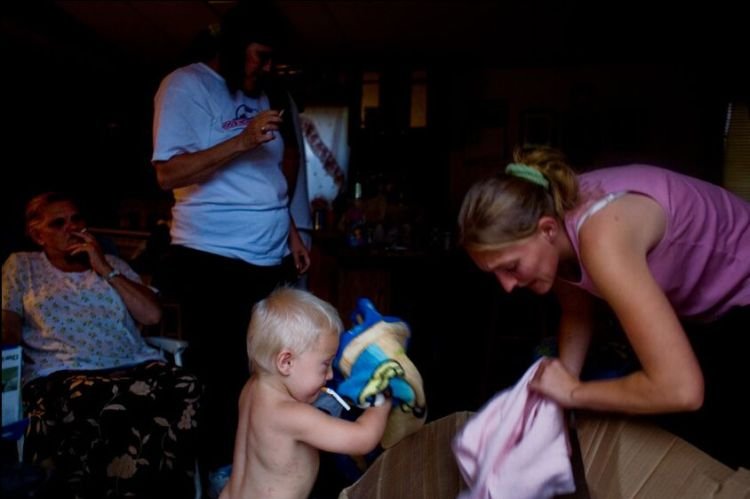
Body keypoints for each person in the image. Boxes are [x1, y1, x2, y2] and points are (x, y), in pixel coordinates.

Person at [458, 146, 750, 469]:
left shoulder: (602, 240)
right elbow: (577, 312)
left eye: (511, 267)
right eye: (494, 273)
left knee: (707, 447)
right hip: (708, 305)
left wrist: (574, 392)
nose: (507, 286)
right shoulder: (553, 228)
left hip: (743, 293)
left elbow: (681, 389)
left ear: (547, 229)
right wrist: (559, 400)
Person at [150, 2, 311, 488]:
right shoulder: (185, 86)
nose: (266, 69)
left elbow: (268, 176)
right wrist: (239, 141)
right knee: (222, 378)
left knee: (273, 369)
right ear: (234, 46)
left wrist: (291, 229)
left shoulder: (264, 92)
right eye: (259, 57)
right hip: (210, 257)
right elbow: (167, 173)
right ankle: (224, 477)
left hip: (270, 255)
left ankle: (265, 467)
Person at [1, 192, 201, 498]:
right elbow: (8, 325)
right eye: (58, 223)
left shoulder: (113, 263)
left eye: (76, 219)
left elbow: (152, 314)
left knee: (184, 384)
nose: (72, 228)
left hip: (133, 363)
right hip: (62, 371)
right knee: (99, 397)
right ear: (37, 235)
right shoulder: (22, 266)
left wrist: (103, 267)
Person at [219, 287, 391, 499]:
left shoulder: (252, 388)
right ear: (286, 362)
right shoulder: (291, 415)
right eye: (325, 364)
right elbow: (362, 439)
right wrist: (382, 404)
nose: (329, 375)